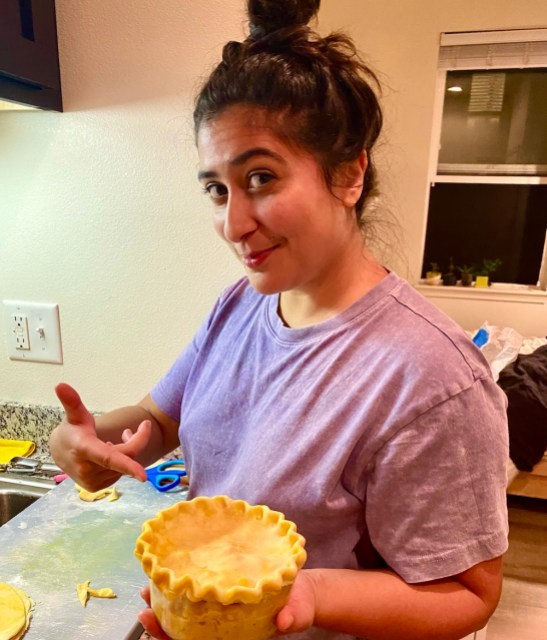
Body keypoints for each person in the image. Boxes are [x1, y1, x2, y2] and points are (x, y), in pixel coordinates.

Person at [49, 1, 510, 639]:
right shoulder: (241, 306)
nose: (233, 224)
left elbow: (468, 593)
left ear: (349, 172)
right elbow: (161, 419)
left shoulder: (431, 378)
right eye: (216, 188)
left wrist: (311, 593)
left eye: (260, 178)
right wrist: (88, 442)